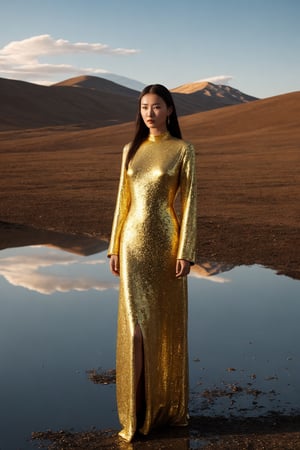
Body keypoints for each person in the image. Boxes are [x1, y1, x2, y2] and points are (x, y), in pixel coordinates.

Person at [107, 84, 197, 442]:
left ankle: (160, 408)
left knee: (161, 327)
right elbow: (121, 201)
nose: (149, 113)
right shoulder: (131, 149)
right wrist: (113, 246)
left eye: (157, 106)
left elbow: (190, 203)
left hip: (165, 245)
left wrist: (186, 251)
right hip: (131, 245)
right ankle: (135, 412)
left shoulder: (182, 150)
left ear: (170, 110)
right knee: (135, 331)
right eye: (144, 106)